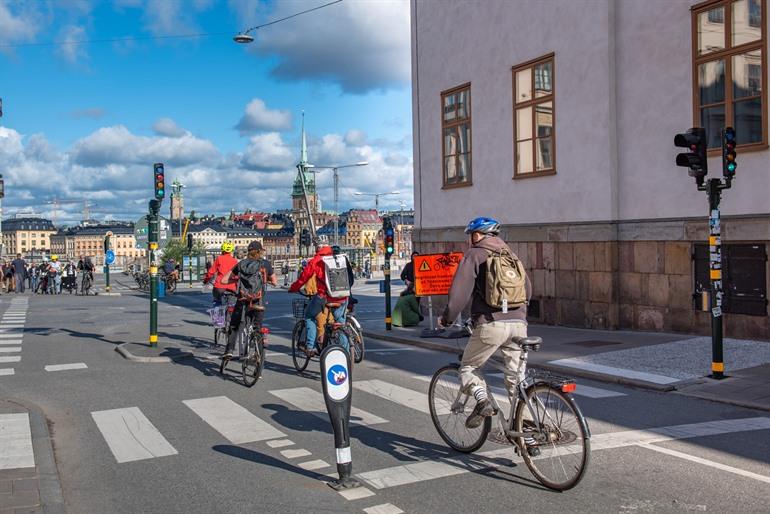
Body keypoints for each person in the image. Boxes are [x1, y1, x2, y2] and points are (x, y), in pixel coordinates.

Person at [438, 217, 532, 432]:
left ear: (477, 235)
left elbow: (459, 294)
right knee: (516, 379)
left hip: (491, 324)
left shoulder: (475, 254)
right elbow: (528, 289)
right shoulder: (511, 254)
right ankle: (527, 429)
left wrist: (446, 319)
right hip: (519, 323)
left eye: (470, 236)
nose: (470, 240)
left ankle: (482, 401)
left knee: (469, 367)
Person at [289, 244, 350, 357]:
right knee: (340, 324)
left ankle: (310, 347)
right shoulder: (339, 258)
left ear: (318, 249)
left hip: (324, 296)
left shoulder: (316, 260)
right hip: (343, 296)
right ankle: (346, 354)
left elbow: (303, 278)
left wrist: (293, 288)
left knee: (309, 316)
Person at [220, 241, 277, 359]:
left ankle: (229, 350)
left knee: (234, 325)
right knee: (258, 327)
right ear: (260, 251)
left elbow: (224, 280)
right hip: (258, 301)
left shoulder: (241, 264)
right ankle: (258, 356)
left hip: (243, 300)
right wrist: (267, 281)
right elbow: (275, 282)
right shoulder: (265, 264)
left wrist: (237, 280)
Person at [203, 241, 239, 305]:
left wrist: (206, 280)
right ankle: (231, 311)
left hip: (219, 287)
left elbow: (211, 272)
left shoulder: (219, 259)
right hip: (231, 287)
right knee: (232, 305)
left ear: (222, 250)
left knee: (217, 302)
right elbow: (237, 275)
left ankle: (217, 312)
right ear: (231, 251)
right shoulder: (235, 261)